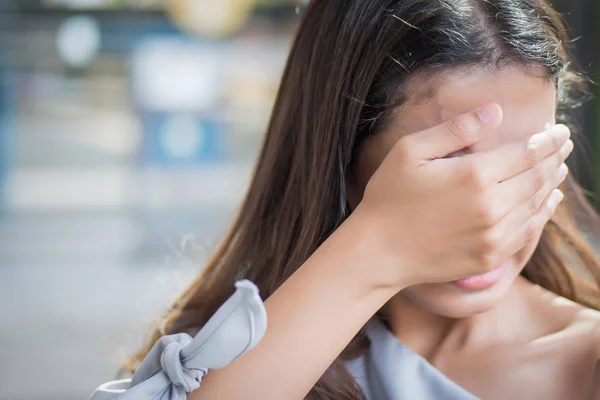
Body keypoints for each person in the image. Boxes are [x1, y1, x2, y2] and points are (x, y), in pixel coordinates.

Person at [91, 0, 600, 399]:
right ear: (339, 156)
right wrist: (376, 252)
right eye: (449, 166)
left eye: (524, 164)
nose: (489, 214)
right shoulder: (232, 358)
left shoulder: (585, 362)